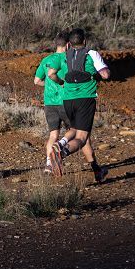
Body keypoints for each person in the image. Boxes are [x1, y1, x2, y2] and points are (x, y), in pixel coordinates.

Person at [46, 28, 111, 181]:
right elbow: (105, 75)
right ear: (85, 41)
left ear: (69, 44)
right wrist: (101, 71)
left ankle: (96, 170)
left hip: (67, 100)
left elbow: (51, 74)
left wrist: (62, 82)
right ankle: (61, 153)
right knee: (82, 138)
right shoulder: (91, 53)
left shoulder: (64, 56)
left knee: (75, 130)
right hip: (85, 99)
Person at [34, 32, 90, 175]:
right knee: (77, 131)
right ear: (68, 45)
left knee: (53, 135)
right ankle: (62, 145)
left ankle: (48, 165)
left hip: (48, 103)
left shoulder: (45, 59)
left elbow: (37, 81)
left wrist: (48, 86)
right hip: (65, 101)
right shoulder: (69, 59)